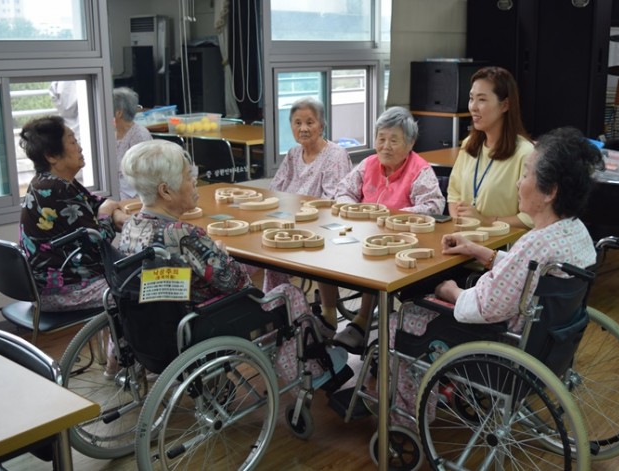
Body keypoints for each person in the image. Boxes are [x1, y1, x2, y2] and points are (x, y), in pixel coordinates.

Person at [392, 127, 603, 418]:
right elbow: (525, 274)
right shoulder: (574, 231)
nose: (518, 182)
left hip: (501, 349)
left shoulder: (533, 244)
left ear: (550, 191)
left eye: (526, 174)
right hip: (548, 346)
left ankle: (406, 418)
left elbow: (482, 307)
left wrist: (449, 291)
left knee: (399, 321)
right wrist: (480, 252)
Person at [119, 140, 339, 384]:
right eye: (188, 176)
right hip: (204, 323)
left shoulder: (131, 227)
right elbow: (238, 282)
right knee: (289, 293)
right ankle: (311, 373)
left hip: (158, 327)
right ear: (165, 191)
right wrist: (222, 255)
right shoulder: (184, 235)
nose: (194, 181)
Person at [332, 106, 446, 352]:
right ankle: (327, 317)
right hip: (363, 234)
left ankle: (362, 321)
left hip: (402, 243)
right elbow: (343, 190)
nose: (385, 146)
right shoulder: (368, 164)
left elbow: (433, 205)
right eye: (381, 138)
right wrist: (355, 210)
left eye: (394, 140)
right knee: (326, 254)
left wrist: (393, 217)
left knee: (376, 262)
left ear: (410, 143)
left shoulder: (419, 169)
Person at [19, 115, 128, 312]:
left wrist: (114, 214)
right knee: (149, 289)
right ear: (51, 156)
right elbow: (98, 245)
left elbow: (97, 202)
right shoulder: (56, 188)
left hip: (58, 284)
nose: (80, 148)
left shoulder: (51, 181)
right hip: (64, 291)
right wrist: (107, 214)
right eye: (72, 142)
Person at [264, 97, 353, 331]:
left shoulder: (336, 155)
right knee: (264, 251)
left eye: (310, 122)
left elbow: (331, 202)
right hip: (289, 225)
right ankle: (277, 312)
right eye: (297, 123)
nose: (303, 128)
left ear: (321, 125)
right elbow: (275, 190)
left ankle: (324, 313)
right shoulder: (293, 154)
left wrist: (292, 214)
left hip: (320, 227)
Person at [447, 66, 534, 228]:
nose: (473, 107)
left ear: (505, 105)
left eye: (482, 100)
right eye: (471, 98)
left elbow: (531, 218)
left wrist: (486, 222)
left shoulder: (525, 153)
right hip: (466, 236)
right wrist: (461, 222)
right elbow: (454, 194)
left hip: (504, 242)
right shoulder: (469, 144)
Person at [113, 86, 152, 200]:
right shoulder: (112, 132)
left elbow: (142, 176)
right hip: (116, 188)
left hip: (134, 193)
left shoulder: (139, 135)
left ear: (118, 113)